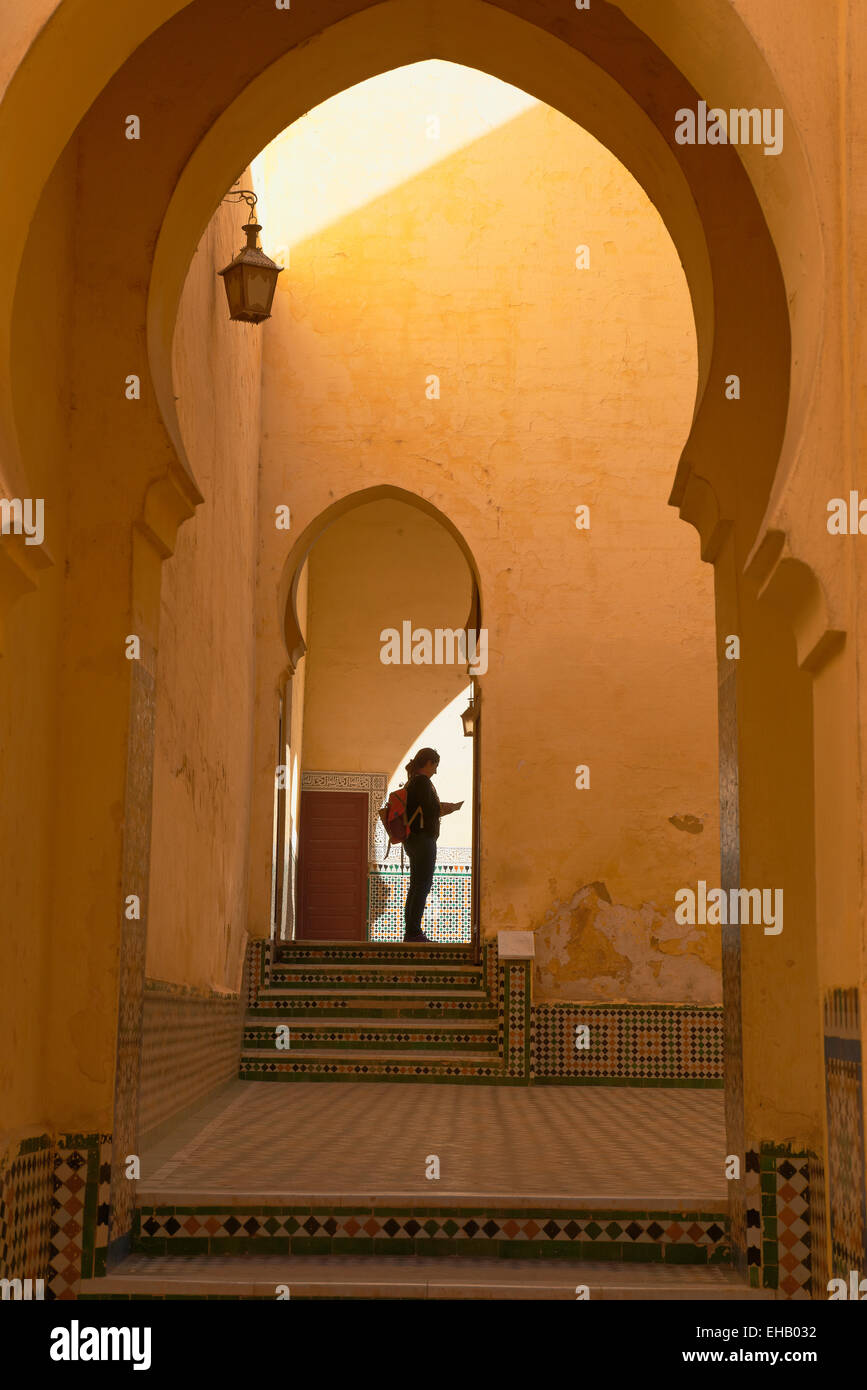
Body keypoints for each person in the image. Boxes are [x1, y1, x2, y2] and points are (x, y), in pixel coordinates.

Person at [402, 747, 463, 943]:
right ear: (428, 763)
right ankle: (414, 933)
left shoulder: (412, 782)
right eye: (435, 765)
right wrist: (448, 808)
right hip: (423, 840)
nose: (436, 771)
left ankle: (411, 932)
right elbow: (429, 810)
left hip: (413, 840)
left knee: (416, 885)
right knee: (422, 885)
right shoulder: (422, 783)